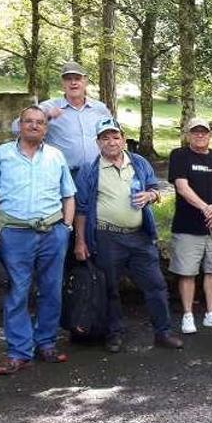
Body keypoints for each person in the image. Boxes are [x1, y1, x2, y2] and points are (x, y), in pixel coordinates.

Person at [73, 118, 183, 352]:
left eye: (115, 137)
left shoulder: (139, 163)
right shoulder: (89, 170)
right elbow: (81, 209)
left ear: (123, 139)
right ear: (98, 142)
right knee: (109, 288)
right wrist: (80, 241)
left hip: (140, 237)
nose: (111, 142)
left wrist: (150, 196)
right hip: (107, 238)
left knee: (156, 284)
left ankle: (163, 333)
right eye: (105, 138)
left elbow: (155, 188)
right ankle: (114, 334)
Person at [0, 106, 76, 375]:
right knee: (17, 293)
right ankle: (19, 352)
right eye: (29, 121)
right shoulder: (1, 155)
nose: (34, 126)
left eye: (40, 122)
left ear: (46, 127)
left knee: (51, 291)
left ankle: (45, 343)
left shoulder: (56, 156)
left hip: (52, 233)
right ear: (20, 125)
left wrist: (66, 228)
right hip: (15, 235)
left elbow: (69, 194)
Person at [168, 118, 212, 334]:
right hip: (188, 226)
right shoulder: (179, 156)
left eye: (204, 132)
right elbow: (181, 186)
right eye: (195, 132)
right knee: (187, 272)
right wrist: (205, 208)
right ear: (188, 134)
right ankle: (188, 315)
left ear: (210, 134)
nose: (200, 135)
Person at [15, 61, 112, 178]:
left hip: (97, 173)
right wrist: (45, 117)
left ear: (85, 81)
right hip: (62, 174)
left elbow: (113, 135)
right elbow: (16, 128)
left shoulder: (99, 108)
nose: (73, 83)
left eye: (77, 78)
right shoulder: (48, 107)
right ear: (63, 83)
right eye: (68, 79)